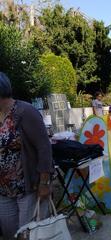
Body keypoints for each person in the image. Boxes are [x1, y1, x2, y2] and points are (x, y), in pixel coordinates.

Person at [0, 72, 53, 239]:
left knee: (29, 234)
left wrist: (44, 182)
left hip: (29, 188)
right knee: (10, 233)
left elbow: (44, 148)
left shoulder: (25, 111)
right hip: (3, 190)